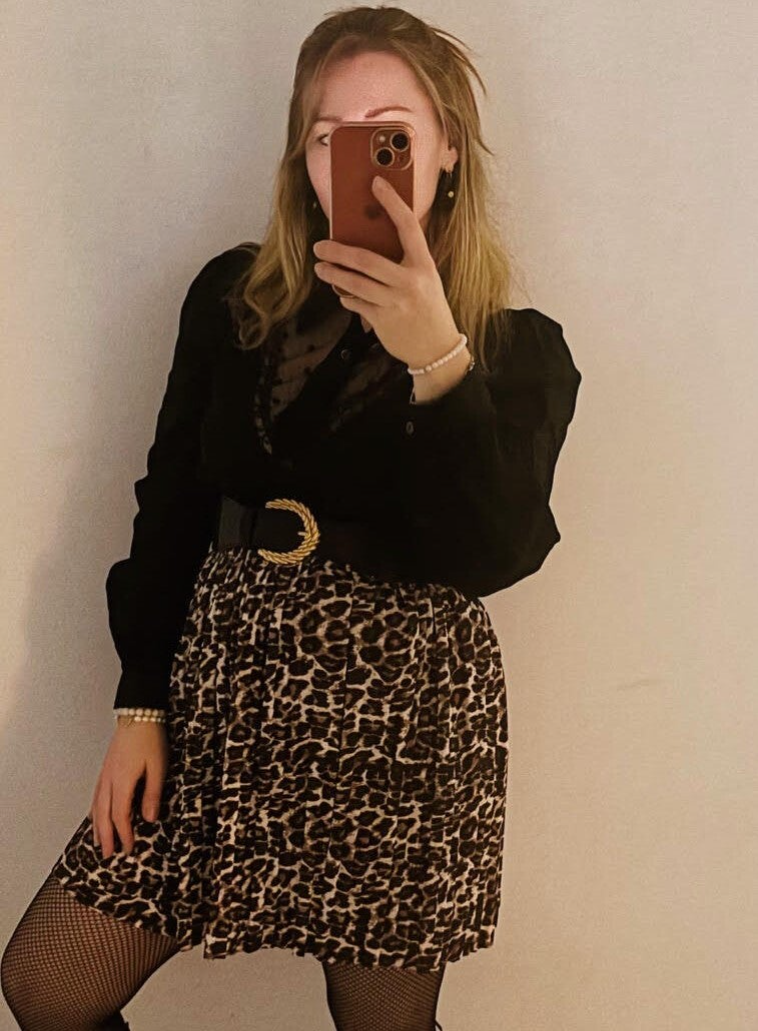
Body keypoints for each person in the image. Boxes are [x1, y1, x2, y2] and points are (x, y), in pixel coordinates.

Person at [1, 6, 582, 1030]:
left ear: (447, 147)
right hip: (222, 689)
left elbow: (493, 552)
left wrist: (437, 358)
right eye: (328, 135)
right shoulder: (233, 300)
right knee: (49, 982)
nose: (356, 158)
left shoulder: (515, 348)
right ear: (302, 159)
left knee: (380, 1021)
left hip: (402, 717)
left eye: (388, 134)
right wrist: (139, 708)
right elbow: (170, 504)